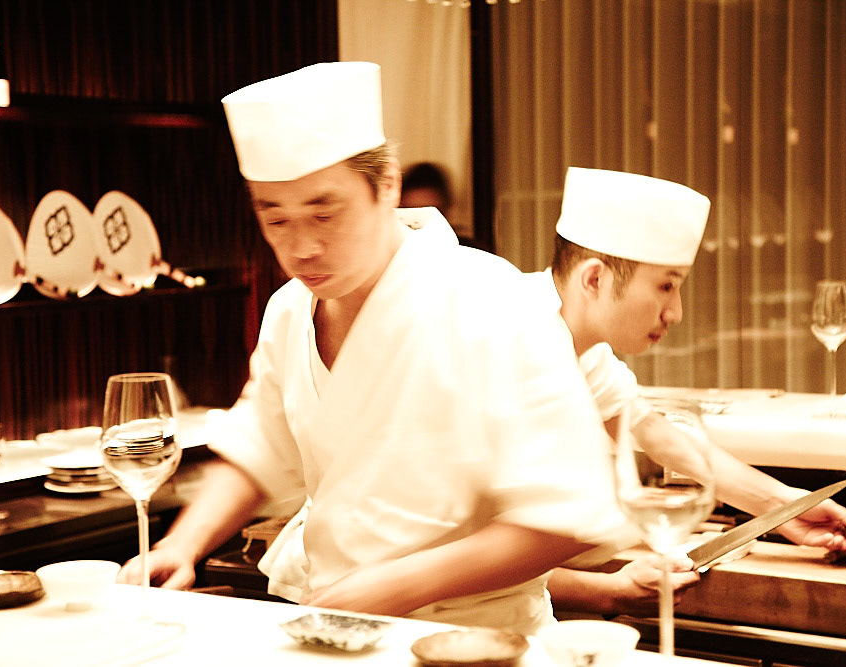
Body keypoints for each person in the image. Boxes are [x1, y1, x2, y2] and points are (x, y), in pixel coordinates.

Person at [117, 62, 631, 634]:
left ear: (386, 185)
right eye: (275, 218)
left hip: (480, 641)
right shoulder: (289, 310)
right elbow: (262, 447)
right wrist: (182, 544)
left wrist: (394, 587)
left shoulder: (489, 299)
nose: (301, 248)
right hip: (338, 625)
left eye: (324, 212)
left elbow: (567, 517)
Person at [536, 167, 846, 616]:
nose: (676, 312)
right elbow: (458, 547)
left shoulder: (581, 347)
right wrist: (606, 591)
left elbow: (656, 434)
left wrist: (783, 507)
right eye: (666, 286)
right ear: (594, 280)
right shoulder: (509, 341)